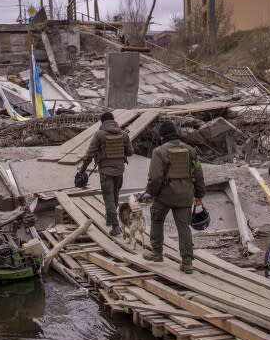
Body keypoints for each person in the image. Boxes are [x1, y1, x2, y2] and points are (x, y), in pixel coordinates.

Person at [143, 121, 205, 274]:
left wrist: (151, 193)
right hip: (185, 196)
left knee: (157, 219)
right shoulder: (191, 150)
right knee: (183, 227)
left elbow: (155, 178)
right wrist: (199, 194)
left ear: (162, 135)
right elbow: (198, 173)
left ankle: (157, 253)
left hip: (164, 196)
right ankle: (187, 262)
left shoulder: (159, 152)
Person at [78, 111, 134, 236]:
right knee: (114, 195)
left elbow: (89, 155)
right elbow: (130, 152)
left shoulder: (99, 134)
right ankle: (110, 219)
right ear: (113, 120)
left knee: (108, 196)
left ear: (102, 122)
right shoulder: (123, 134)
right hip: (119, 170)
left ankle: (115, 226)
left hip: (105, 171)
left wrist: (81, 171)